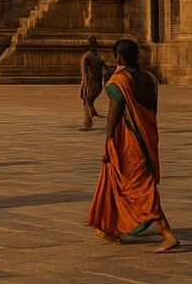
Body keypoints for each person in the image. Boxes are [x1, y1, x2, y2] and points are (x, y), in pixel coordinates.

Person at [86, 38, 179, 253]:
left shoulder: (120, 81)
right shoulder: (150, 79)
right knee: (117, 179)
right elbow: (150, 111)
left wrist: (109, 140)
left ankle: (167, 233)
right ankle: (107, 226)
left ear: (118, 57)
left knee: (140, 187)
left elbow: (114, 113)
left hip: (130, 141)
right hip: (148, 137)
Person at [80, 38, 106, 132]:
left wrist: (83, 84)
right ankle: (92, 112)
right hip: (97, 82)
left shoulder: (87, 56)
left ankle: (88, 123)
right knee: (87, 99)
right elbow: (104, 70)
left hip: (90, 81)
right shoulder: (99, 56)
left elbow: (84, 72)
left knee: (86, 100)